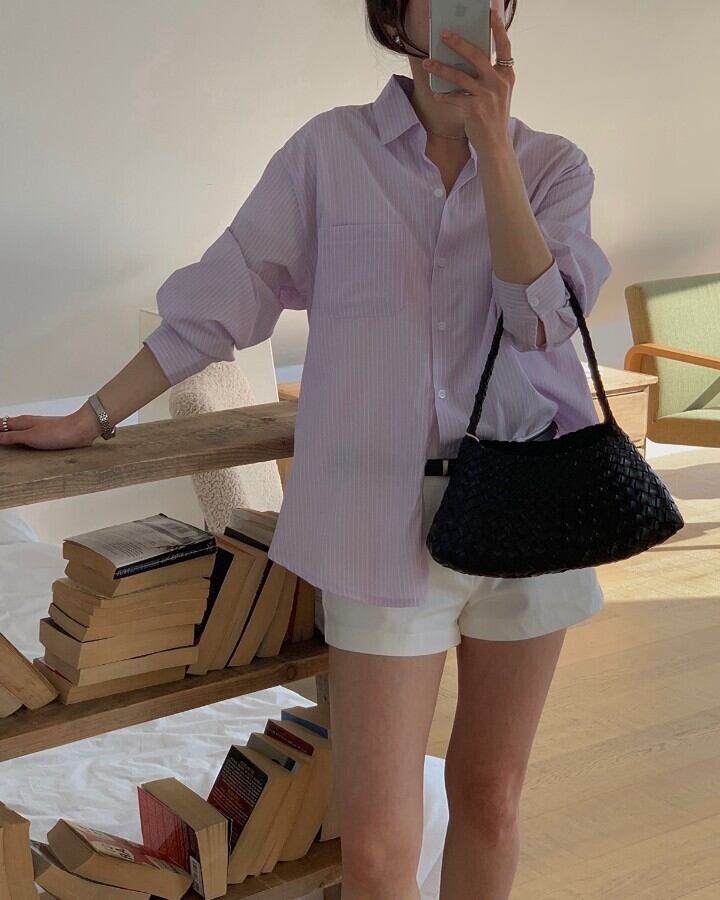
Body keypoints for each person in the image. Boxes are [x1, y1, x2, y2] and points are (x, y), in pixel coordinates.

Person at [1, 2, 613, 898]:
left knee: (491, 799)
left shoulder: (554, 167)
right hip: (376, 523)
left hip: (532, 513)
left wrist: (494, 151)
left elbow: (543, 322)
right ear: (397, 14)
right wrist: (91, 415)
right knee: (377, 845)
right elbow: (221, 298)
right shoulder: (329, 154)